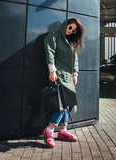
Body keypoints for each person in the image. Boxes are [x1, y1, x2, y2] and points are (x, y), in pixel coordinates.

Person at [43, 18, 84, 148]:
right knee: (62, 102)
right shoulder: (54, 35)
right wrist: (52, 70)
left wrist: (75, 74)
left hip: (69, 76)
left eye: (74, 30)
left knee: (67, 102)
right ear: (65, 25)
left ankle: (63, 130)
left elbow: (74, 58)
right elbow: (49, 51)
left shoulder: (70, 41)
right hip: (58, 74)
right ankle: (49, 129)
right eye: (70, 27)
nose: (71, 30)